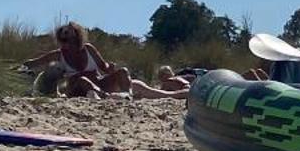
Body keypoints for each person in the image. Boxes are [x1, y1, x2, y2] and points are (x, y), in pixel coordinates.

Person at [23, 22, 182, 100]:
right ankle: (107, 97)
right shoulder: (58, 54)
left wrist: (110, 68)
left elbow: (104, 68)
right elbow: (35, 62)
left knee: (123, 72)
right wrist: (18, 67)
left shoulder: (89, 49)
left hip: (98, 83)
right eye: (64, 37)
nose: (67, 41)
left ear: (77, 36)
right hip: (77, 89)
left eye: (70, 35)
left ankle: (128, 96)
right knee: (82, 79)